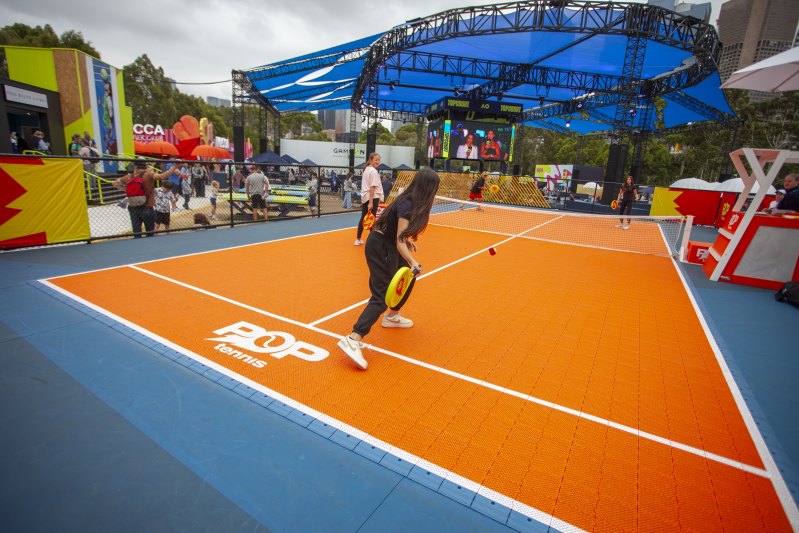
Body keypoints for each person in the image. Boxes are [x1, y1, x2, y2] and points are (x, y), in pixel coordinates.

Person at [337, 168, 441, 370]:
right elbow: (399, 238)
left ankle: (392, 317)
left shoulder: (412, 201)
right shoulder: (407, 204)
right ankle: (353, 338)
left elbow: (398, 234)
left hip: (389, 244)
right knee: (382, 294)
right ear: (428, 188)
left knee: (408, 277)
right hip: (380, 246)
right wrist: (412, 260)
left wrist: (407, 244)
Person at [112, 161, 176, 238]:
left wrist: (126, 190)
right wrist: (174, 167)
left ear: (135, 167)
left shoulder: (129, 176)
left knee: (136, 232)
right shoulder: (149, 174)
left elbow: (115, 183)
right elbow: (162, 176)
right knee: (150, 232)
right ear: (145, 166)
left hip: (133, 207)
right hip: (147, 206)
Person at [355, 152, 384, 245]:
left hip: (365, 196)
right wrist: (371, 202)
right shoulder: (373, 171)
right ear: (371, 160)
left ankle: (358, 239)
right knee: (372, 218)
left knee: (364, 217)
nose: (378, 161)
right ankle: (372, 242)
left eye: (379, 160)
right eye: (376, 160)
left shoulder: (366, 169)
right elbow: (372, 187)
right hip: (372, 197)